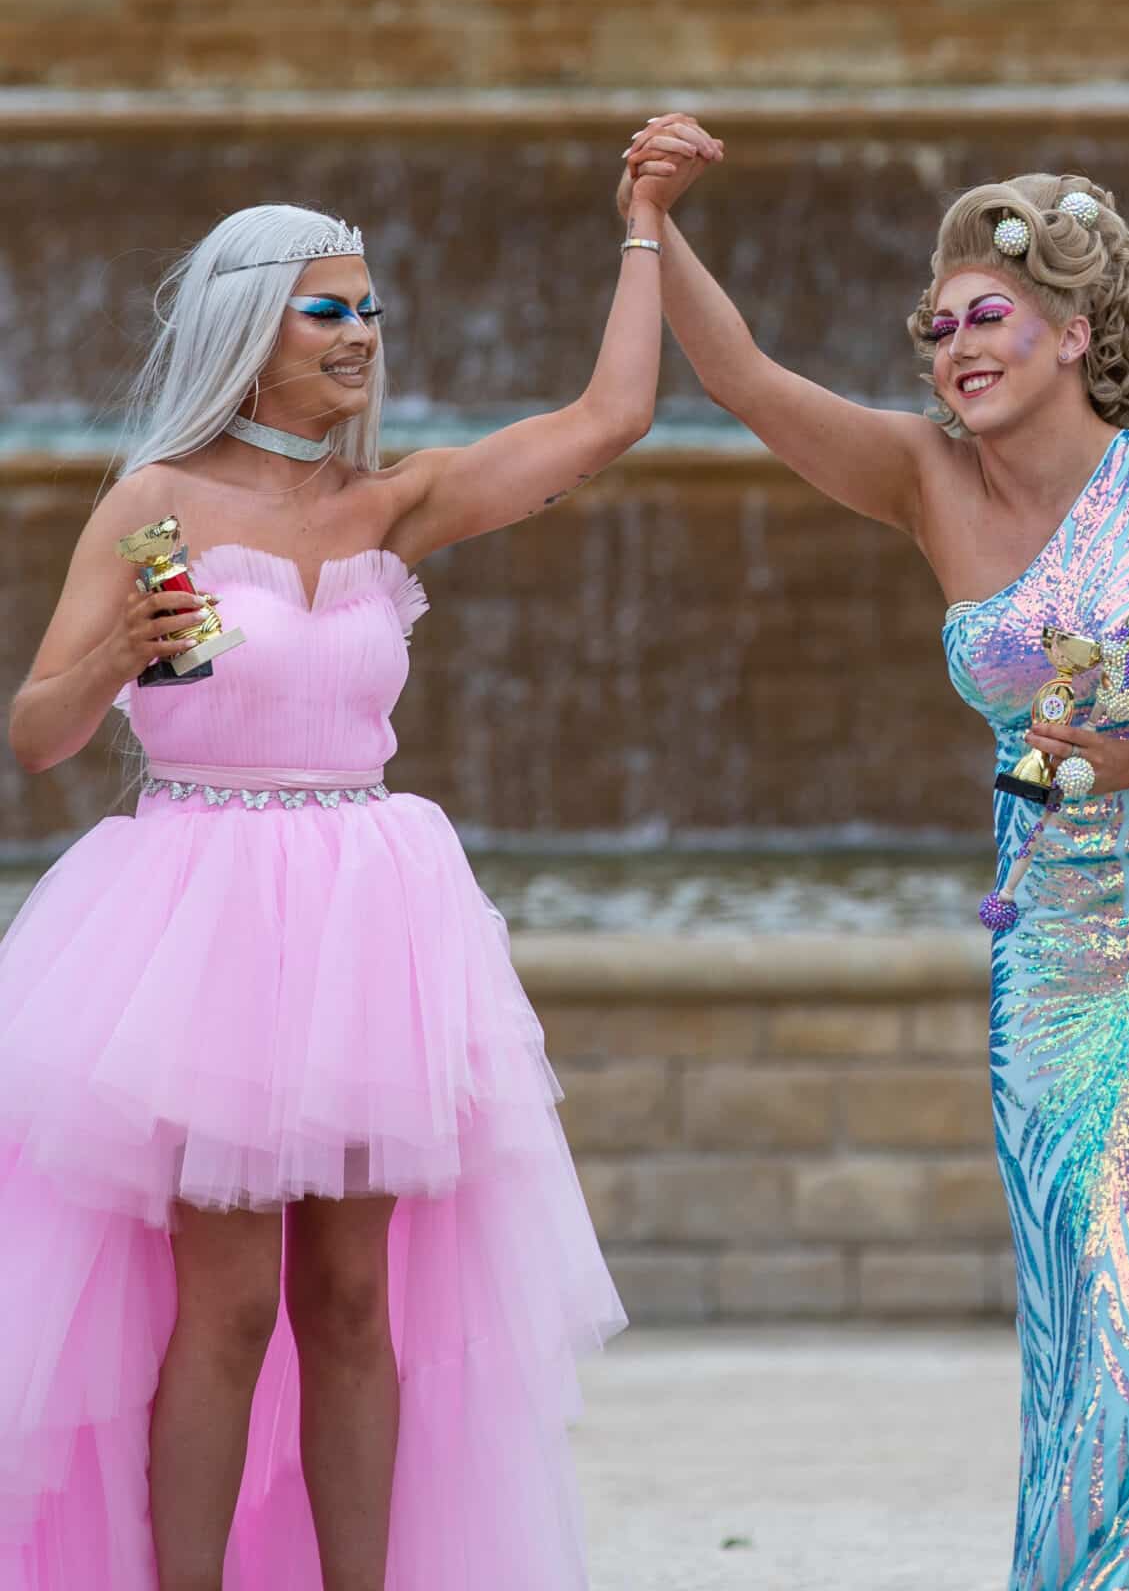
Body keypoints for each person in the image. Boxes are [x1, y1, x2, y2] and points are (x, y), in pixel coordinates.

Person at [619, 119, 1129, 1590]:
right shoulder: (921, 481)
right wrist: (649, 217)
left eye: (985, 316)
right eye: (934, 327)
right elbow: (742, 379)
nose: (953, 345)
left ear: (1072, 333)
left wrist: (1127, 761)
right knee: (1071, 1284)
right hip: (1047, 931)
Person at [0, 162, 715, 1588]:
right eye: (327, 308)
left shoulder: (395, 502)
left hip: (369, 914)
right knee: (221, 1311)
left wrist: (648, 225)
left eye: (370, 309)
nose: (360, 332)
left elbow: (608, 420)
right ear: (251, 325)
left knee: (347, 1302)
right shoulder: (158, 501)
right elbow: (38, 734)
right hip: (199, 917)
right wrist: (119, 649)